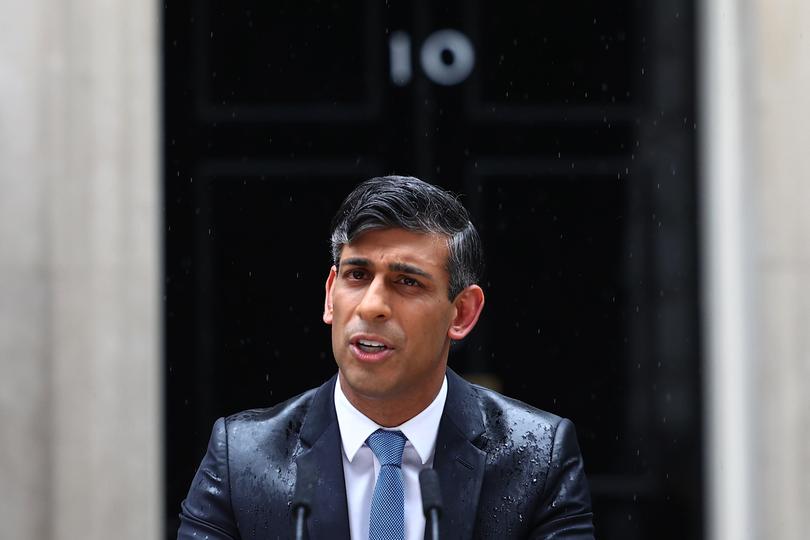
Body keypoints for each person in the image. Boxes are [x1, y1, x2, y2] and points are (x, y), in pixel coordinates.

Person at [177, 175, 594, 539]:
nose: (372, 305)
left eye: (406, 282)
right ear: (329, 295)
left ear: (462, 313)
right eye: (357, 276)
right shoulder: (242, 458)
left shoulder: (537, 458)